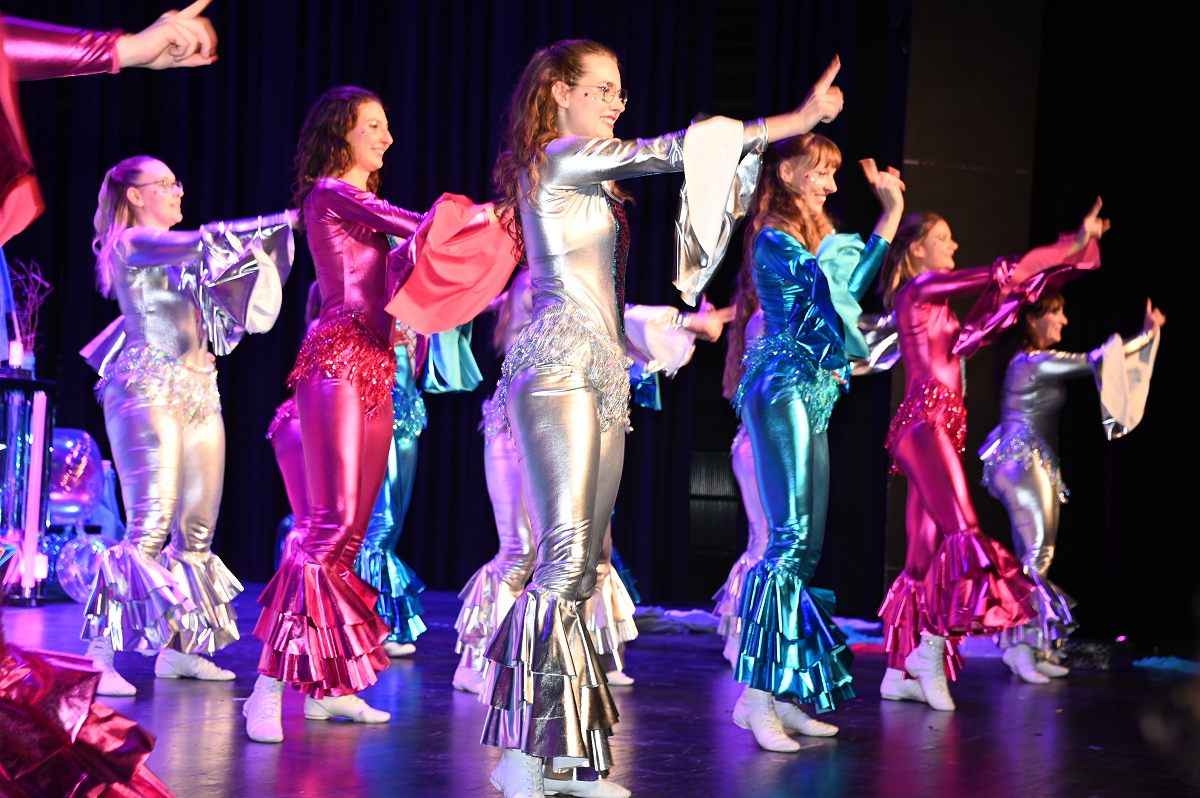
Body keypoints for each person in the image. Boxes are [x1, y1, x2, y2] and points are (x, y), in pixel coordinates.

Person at [481, 37, 844, 798]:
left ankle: (562, 755)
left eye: (621, 90)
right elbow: (673, 151)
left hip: (602, 375)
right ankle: (519, 754)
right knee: (562, 560)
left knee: (585, 567)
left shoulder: (584, 170)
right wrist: (795, 120)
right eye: (603, 88)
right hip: (556, 371)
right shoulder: (558, 158)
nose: (617, 102)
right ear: (560, 91)